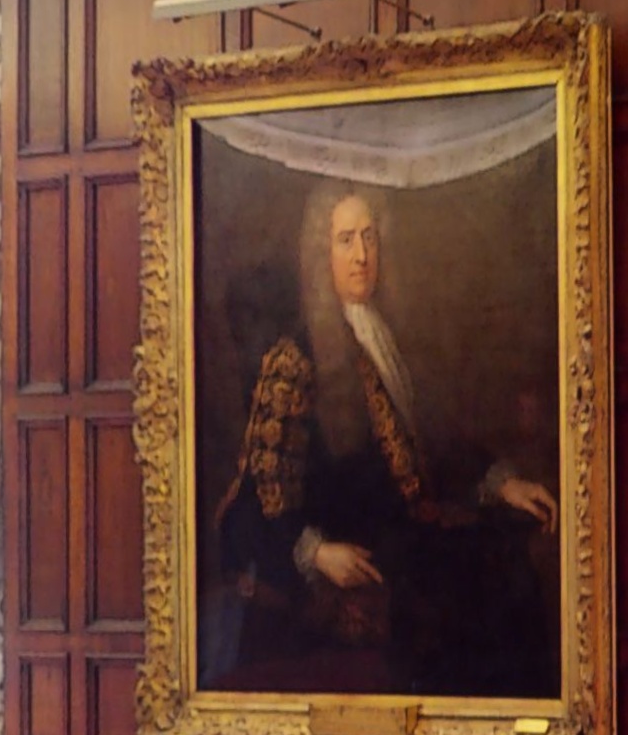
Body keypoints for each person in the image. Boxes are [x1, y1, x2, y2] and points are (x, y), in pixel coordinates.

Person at [214, 185, 555, 694]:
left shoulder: (384, 332)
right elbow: (260, 499)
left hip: (404, 542)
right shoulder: (295, 360)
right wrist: (317, 552)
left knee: (509, 566)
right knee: (481, 598)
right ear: (319, 254)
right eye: (346, 239)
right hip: (355, 565)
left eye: (370, 238)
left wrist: (499, 482)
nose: (361, 255)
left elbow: (429, 443)